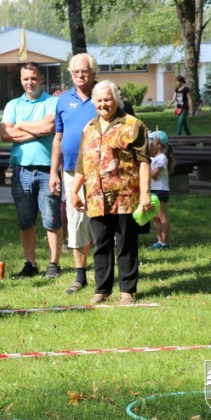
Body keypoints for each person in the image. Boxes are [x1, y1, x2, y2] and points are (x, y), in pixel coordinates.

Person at [70, 80, 152, 305]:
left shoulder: (133, 125)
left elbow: (144, 162)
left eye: (108, 99)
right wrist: (74, 191)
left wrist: (145, 193)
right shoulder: (89, 127)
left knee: (126, 243)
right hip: (96, 197)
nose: (103, 104)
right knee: (101, 244)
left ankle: (127, 291)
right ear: (93, 102)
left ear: (116, 100)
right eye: (99, 100)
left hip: (125, 195)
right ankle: (102, 290)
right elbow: (82, 163)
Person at [0, 62, 62, 279]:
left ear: (41, 79)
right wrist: (36, 129)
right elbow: (5, 134)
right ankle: (30, 264)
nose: (30, 82)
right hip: (21, 170)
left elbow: (49, 127)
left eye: (33, 78)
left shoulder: (52, 101)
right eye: (26, 79)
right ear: (21, 80)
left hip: (47, 169)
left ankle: (54, 263)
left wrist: (20, 125)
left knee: (51, 219)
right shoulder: (13, 105)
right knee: (25, 221)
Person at [50, 53, 98, 295]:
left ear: (93, 73)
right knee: (76, 221)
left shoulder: (104, 95)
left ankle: (105, 272)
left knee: (102, 222)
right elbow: (58, 137)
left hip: (101, 171)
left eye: (85, 71)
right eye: (76, 71)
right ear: (70, 73)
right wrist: (53, 172)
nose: (80, 75)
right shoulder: (63, 100)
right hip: (70, 170)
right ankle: (81, 276)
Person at [148, 130, 174, 250]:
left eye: (151, 142)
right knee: (155, 217)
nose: (149, 145)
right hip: (153, 189)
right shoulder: (152, 158)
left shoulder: (162, 158)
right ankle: (159, 241)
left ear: (159, 145)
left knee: (162, 216)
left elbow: (154, 175)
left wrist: (144, 166)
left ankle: (164, 242)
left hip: (161, 190)